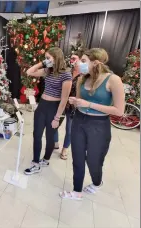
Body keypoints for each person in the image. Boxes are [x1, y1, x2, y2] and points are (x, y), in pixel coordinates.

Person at [60, 48, 125, 200]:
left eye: (83, 61)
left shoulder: (113, 80)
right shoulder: (82, 79)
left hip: (99, 125)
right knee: (77, 157)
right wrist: (75, 102)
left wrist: (88, 104)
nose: (79, 64)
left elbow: (119, 111)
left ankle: (97, 183)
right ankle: (77, 191)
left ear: (96, 63)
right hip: (79, 121)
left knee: (94, 160)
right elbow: (79, 102)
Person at [24, 47, 72, 175]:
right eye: (45, 58)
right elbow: (29, 72)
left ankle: (46, 159)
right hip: (42, 106)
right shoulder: (47, 70)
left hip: (54, 107)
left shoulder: (66, 74)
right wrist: (42, 63)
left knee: (50, 137)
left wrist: (57, 118)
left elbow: (64, 99)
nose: (46, 60)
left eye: (48, 58)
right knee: (37, 134)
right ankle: (35, 163)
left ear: (56, 58)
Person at [54, 53, 83, 160]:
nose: (73, 60)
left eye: (75, 58)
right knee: (55, 124)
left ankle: (65, 149)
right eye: (71, 58)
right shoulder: (67, 72)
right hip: (62, 103)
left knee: (70, 129)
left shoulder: (84, 75)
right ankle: (55, 142)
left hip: (73, 107)